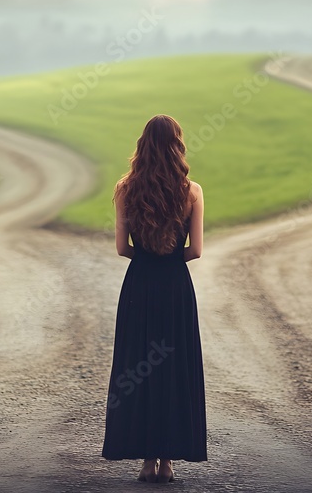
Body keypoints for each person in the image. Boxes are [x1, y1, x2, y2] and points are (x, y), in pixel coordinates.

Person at [101, 114, 207, 483]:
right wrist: (168, 260)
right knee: (174, 371)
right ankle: (168, 462)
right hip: (176, 289)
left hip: (139, 288)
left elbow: (120, 248)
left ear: (142, 146)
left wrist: (148, 258)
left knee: (139, 368)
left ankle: (146, 461)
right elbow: (195, 252)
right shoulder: (191, 191)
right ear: (177, 146)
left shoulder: (126, 189)